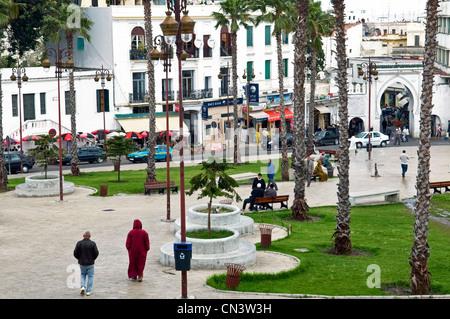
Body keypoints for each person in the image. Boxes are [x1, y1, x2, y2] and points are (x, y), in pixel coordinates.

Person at [73, 231, 99, 296]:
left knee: (82, 274)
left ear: (83, 236)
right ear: (90, 236)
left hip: (82, 263)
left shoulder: (79, 243)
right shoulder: (93, 243)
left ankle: (82, 286)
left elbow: (75, 253)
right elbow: (96, 253)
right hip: (90, 263)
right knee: (90, 276)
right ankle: (88, 291)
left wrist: (79, 259)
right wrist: (93, 259)